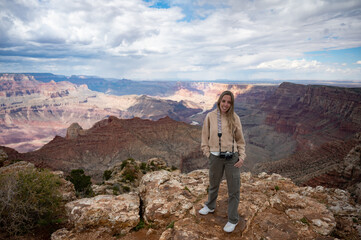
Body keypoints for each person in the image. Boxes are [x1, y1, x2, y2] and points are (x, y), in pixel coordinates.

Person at [199, 90, 246, 233]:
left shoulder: (235, 118)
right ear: (219, 101)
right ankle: (210, 206)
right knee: (213, 184)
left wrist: (242, 156)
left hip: (232, 158)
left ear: (231, 104)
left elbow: (240, 140)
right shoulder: (210, 117)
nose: (225, 104)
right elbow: (204, 138)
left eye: (229, 102)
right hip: (215, 157)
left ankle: (233, 219)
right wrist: (208, 154)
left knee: (234, 189)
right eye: (223, 101)